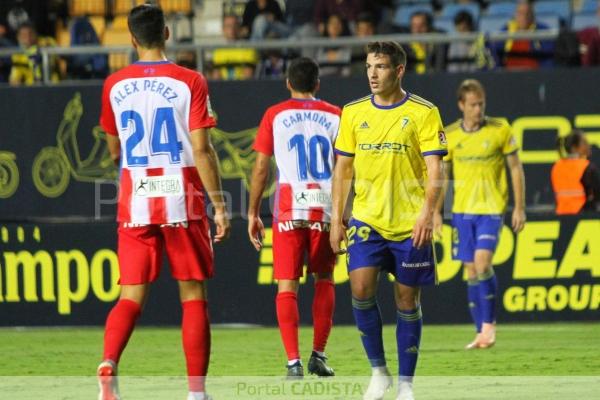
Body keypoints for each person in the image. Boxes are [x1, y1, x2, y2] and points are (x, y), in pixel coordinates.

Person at [97, 5, 230, 400]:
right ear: (167, 34)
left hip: (135, 199)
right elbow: (202, 152)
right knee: (192, 295)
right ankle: (196, 394)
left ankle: (109, 362)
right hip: (181, 199)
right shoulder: (190, 80)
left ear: (131, 38)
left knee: (130, 296)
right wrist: (220, 205)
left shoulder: (114, 85)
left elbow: (112, 148)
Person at [331, 41, 446, 400]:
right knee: (361, 289)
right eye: (368, 67)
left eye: (380, 67)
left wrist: (428, 213)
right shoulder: (352, 112)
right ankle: (379, 373)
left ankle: (407, 385)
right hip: (367, 220)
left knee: (406, 301)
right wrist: (337, 218)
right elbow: (343, 168)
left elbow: (435, 169)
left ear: (399, 71)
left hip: (410, 223)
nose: (372, 74)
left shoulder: (424, 112)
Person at [248, 57, 341, 379]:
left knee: (287, 284)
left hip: (288, 206)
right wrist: (344, 215)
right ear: (317, 84)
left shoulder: (275, 114)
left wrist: (251, 212)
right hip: (325, 206)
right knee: (324, 279)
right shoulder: (335, 115)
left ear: (288, 82)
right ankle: (318, 354)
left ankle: (293, 362)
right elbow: (345, 169)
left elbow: (261, 167)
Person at [434, 79, 526, 350]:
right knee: (471, 269)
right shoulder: (450, 135)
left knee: (482, 263)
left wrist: (518, 207)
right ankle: (480, 332)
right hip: (462, 212)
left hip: (491, 209)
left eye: (481, 104)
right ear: (461, 105)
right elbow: (443, 176)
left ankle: (489, 326)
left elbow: (516, 169)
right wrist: (438, 212)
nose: (478, 109)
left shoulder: (500, 129)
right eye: (473, 105)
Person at [551, 130, 600, 214]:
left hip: (561, 214)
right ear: (574, 148)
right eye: (584, 143)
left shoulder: (556, 166)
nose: (588, 146)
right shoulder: (587, 167)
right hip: (583, 214)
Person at [498, 0, 554, 69]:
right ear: (515, 14)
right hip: (509, 75)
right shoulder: (506, 30)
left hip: (535, 75)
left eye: (527, 13)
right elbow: (497, 58)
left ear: (532, 15)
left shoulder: (542, 30)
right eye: (520, 13)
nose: (524, 17)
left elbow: (548, 60)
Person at [209, 14, 258, 80]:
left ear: (240, 28)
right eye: (228, 26)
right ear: (223, 29)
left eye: (235, 25)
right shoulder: (218, 51)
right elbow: (216, 78)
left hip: (242, 88)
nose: (232, 29)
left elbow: (247, 79)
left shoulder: (248, 49)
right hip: (223, 88)